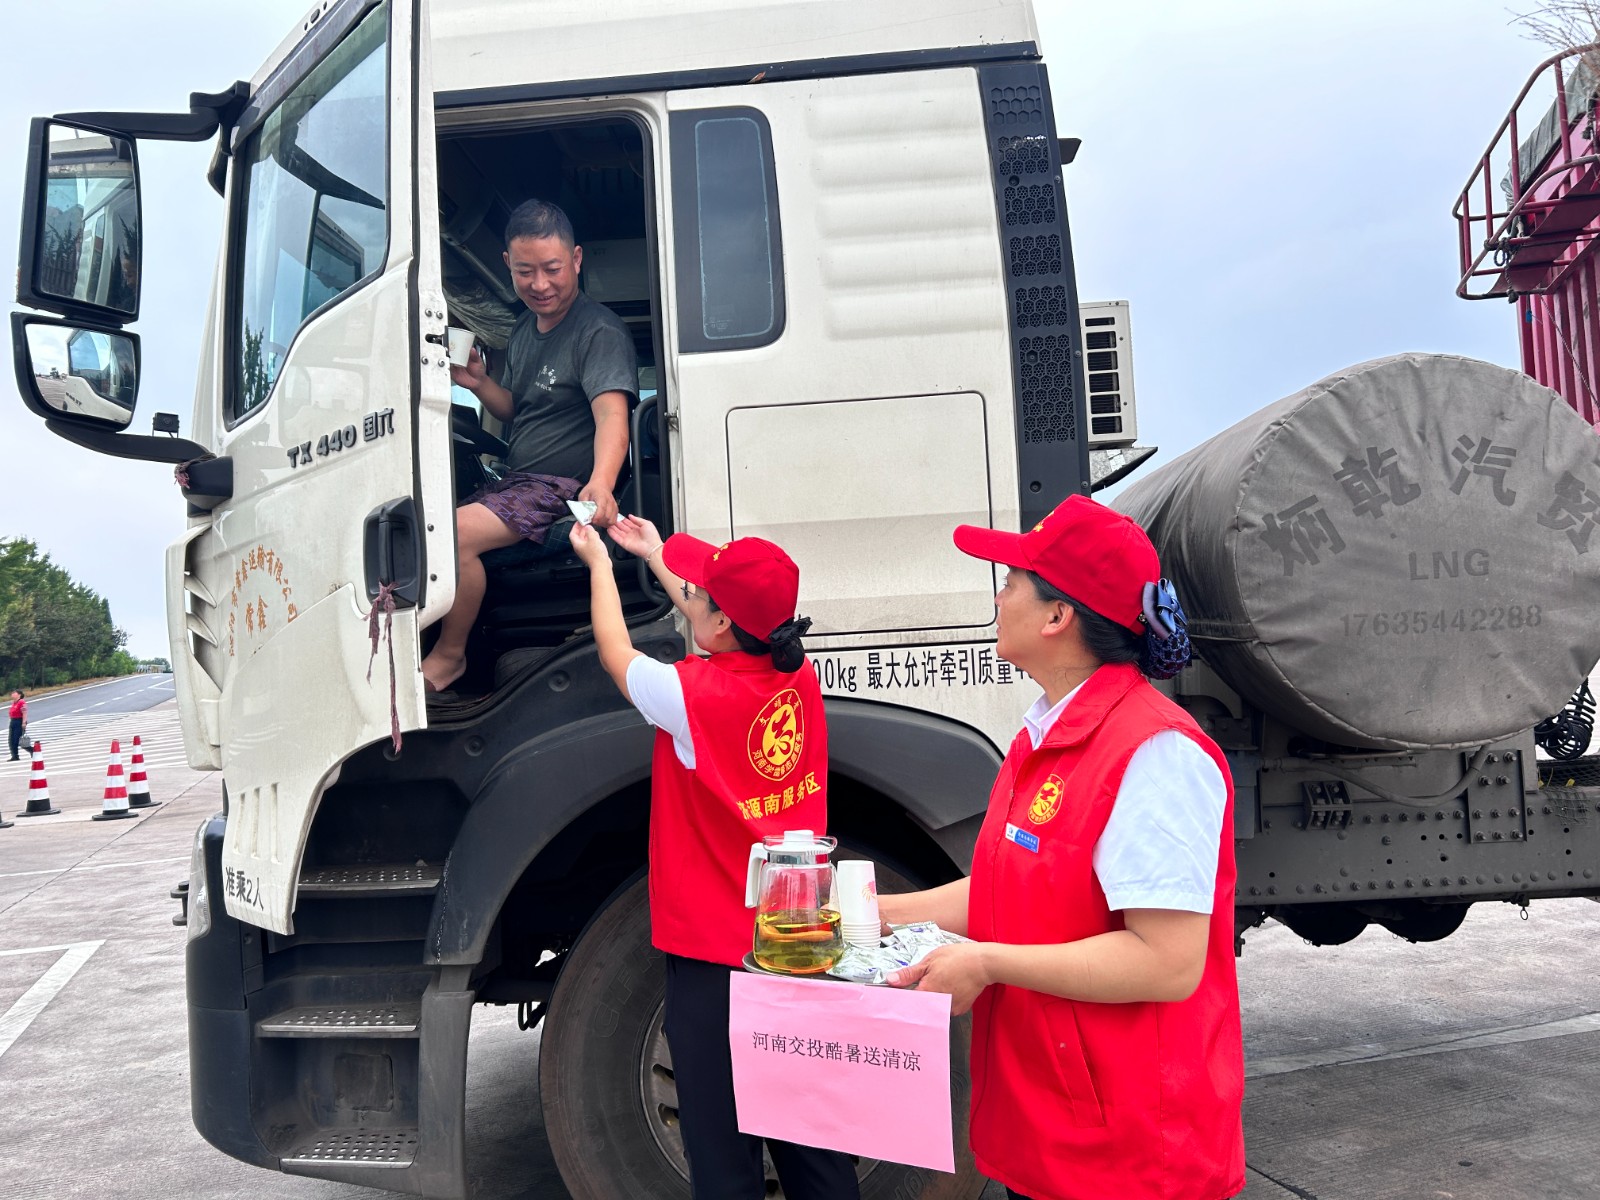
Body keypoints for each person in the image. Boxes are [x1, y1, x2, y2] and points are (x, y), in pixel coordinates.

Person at [878, 494, 1245, 1200]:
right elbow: (1009, 887)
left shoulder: (1155, 754)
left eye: (1011, 581)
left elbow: (1167, 962)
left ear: (1057, 617)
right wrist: (875, 912)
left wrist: (985, 963)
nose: (998, 596)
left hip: (1128, 1152)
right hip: (1054, 1127)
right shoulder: (1047, 734)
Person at [568, 513, 860, 1200]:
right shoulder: (797, 675)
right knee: (811, 1140)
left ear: (723, 621)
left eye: (698, 593)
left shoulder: (691, 697)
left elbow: (615, 652)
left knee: (723, 1152)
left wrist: (602, 566)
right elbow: (722, 621)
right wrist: (656, 554)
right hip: (797, 943)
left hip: (718, 960)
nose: (690, 596)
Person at [420, 198, 638, 693]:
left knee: (449, 532)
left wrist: (601, 483)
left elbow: (612, 416)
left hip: (558, 487)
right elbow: (515, 411)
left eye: (552, 269)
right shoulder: (521, 329)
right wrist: (478, 383)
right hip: (516, 483)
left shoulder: (597, 330)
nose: (540, 284)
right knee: (424, 523)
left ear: (576, 260)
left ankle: (450, 657)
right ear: (508, 265)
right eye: (525, 271)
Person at [8, 690, 26, 761]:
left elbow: (24, 713)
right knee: (11, 740)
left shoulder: (21, 702)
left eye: (14, 693)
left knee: (17, 740)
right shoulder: (14, 702)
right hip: (13, 721)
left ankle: (32, 750)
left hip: (19, 721)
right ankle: (14, 756)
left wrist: (24, 722)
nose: (12, 694)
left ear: (19, 695)